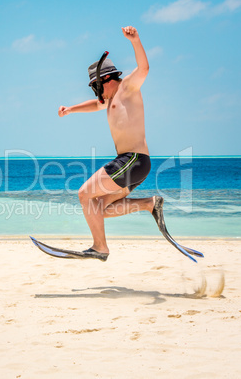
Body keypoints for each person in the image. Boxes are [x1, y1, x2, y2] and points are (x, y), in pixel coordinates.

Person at [58, 25, 164, 261]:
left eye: (96, 87)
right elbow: (95, 105)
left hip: (133, 160)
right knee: (99, 208)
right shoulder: (110, 98)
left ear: (106, 79)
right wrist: (70, 110)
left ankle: (100, 247)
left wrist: (135, 40)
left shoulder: (127, 88)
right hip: (133, 165)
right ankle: (149, 204)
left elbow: (144, 68)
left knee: (84, 194)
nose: (97, 94)